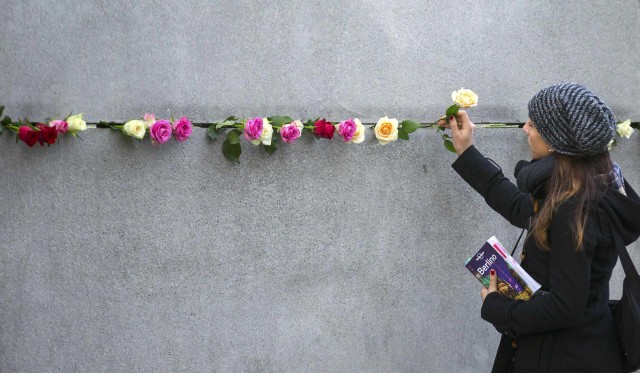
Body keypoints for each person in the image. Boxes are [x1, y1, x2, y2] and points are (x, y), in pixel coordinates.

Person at [440, 83, 640, 372]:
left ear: (555, 143)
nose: (525, 128)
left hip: (563, 359)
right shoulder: (592, 186)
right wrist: (467, 152)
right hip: (584, 349)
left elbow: (566, 307)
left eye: (532, 124)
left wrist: (498, 307)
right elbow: (523, 209)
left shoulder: (573, 207)